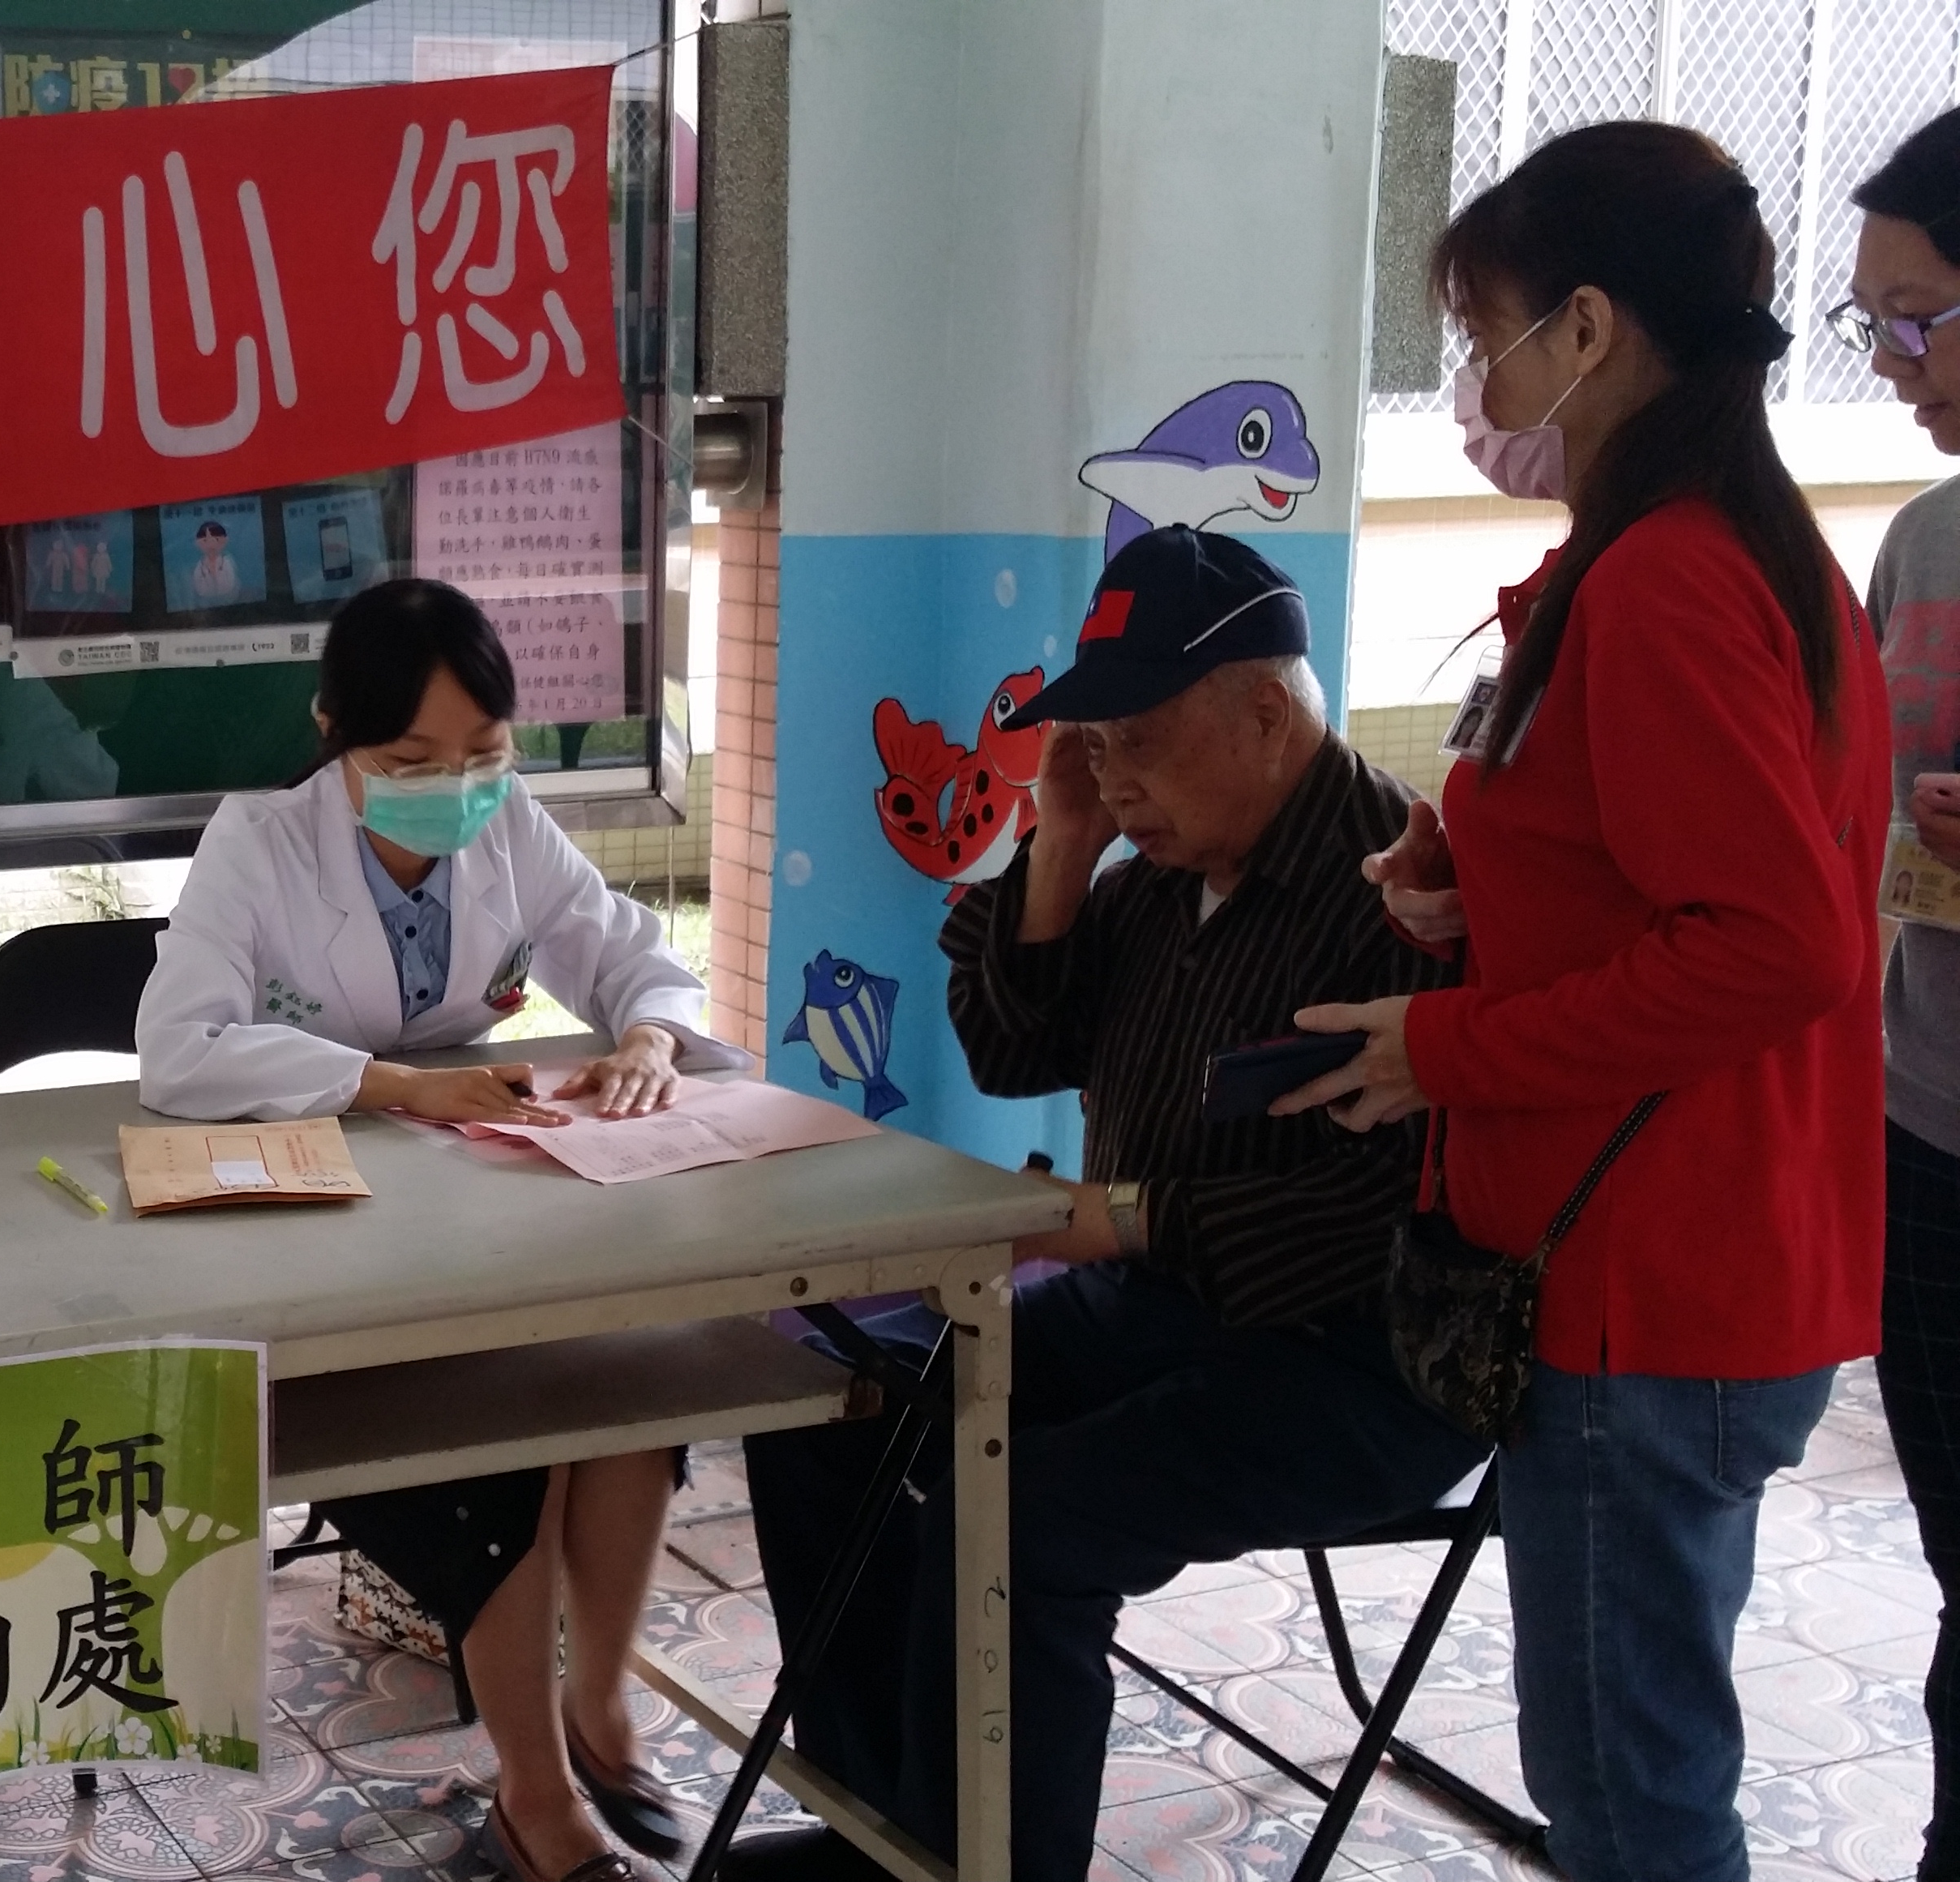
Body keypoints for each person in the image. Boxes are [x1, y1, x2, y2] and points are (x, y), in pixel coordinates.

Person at [1290, 123, 1886, 1882]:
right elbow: (1660, 871)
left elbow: (1776, 945)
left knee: (1631, 1794)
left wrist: (1447, 1046)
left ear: (1591, 328)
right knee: (1628, 1762)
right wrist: (1480, 891)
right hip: (1671, 1259)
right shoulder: (1709, 551)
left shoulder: (1672, 580)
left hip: (1655, 1280)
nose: (1477, 382)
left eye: (1487, 332)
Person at [721, 527, 1485, 1882]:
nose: (1115, 777)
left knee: (1024, 1514)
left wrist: (1115, 1218)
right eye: (1097, 747)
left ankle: (987, 1865)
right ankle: (888, 1831)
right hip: (1151, 1305)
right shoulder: (1157, 878)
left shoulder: (1400, 895)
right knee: (825, 1408)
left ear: (1265, 713)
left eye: (1138, 742)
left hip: (1355, 1358)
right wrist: (1062, 849)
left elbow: (1369, 1218)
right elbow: (1014, 1052)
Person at [135, 578, 745, 1882]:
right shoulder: (261, 842)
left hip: (487, 1207)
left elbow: (629, 953)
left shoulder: (508, 824)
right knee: (497, 1456)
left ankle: (600, 1706)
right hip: (326, 1237)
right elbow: (179, 1050)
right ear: (333, 733)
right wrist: (392, 1084)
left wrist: (648, 1032)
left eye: (484, 753)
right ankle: (537, 1790)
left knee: (633, 1380)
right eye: (412, 762)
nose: (456, 788)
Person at [1838, 103, 1960, 1882]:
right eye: (1868, 326)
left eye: (1917, 321)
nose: (1890, 365)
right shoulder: (1923, 546)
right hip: (1925, 1128)